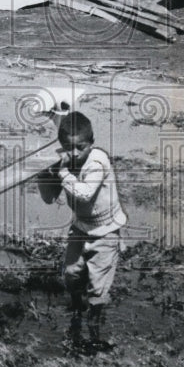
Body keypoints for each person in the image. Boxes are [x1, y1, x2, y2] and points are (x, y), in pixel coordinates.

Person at [37, 112, 127, 344]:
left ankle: (95, 322)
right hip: (80, 228)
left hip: (105, 231)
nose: (75, 153)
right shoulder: (64, 162)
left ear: (91, 143)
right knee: (71, 274)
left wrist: (63, 173)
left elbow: (85, 194)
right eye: (68, 147)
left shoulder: (98, 161)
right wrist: (44, 174)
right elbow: (49, 198)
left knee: (98, 284)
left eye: (81, 147)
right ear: (61, 145)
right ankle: (77, 309)